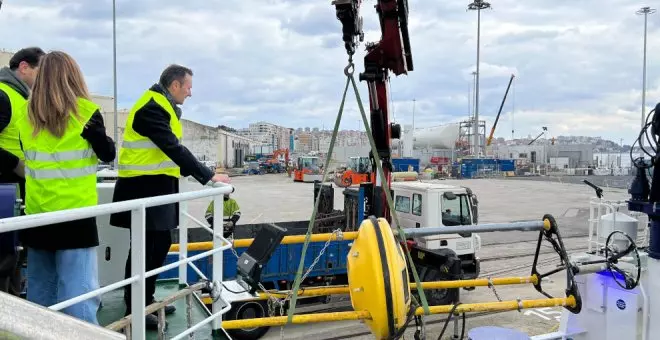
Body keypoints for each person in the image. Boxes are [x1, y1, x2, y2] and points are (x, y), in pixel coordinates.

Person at [109, 64, 230, 329]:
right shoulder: (153, 107)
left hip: (156, 188)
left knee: (159, 244)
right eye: (188, 87)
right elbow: (172, 147)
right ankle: (136, 309)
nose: (190, 93)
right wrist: (208, 176)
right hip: (143, 189)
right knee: (143, 249)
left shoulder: (162, 105)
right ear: (175, 85)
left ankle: (147, 298)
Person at [16, 50, 116, 323]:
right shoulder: (86, 112)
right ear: (73, 75)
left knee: (40, 294)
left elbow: (28, 154)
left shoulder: (25, 114)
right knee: (79, 296)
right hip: (76, 217)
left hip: (37, 215)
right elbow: (108, 154)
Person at [0, 47, 45, 296]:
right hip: (6, 188)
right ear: (24, 67)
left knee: (13, 258)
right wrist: (15, 164)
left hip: (15, 190)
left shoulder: (21, 97)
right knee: (5, 260)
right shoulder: (3, 95)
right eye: (41, 70)